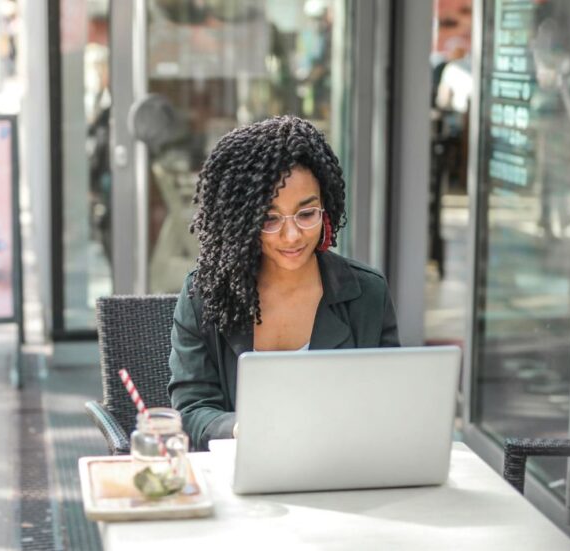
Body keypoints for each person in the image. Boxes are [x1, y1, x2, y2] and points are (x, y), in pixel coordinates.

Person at [167, 116, 401, 451]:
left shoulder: (367, 294)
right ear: (242, 221)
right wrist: (239, 428)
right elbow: (190, 411)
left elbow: (389, 405)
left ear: (326, 209)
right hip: (240, 477)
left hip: (343, 470)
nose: (291, 236)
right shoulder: (204, 295)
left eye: (307, 215)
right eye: (269, 219)